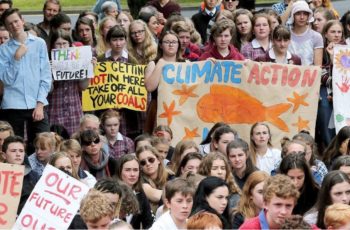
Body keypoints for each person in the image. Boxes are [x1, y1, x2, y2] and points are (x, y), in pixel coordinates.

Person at [0, 8, 52, 154]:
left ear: (22, 21)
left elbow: (46, 76)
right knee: (15, 147)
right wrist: (16, 58)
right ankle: (20, 176)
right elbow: (7, 80)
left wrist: (40, 104)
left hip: (37, 103)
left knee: (44, 144)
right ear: (6, 27)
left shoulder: (39, 43)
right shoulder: (3, 50)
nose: (14, 26)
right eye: (9, 24)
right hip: (13, 105)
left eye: (16, 21)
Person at [47, 29, 88, 136]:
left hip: (74, 109)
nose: (62, 47)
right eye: (58, 44)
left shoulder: (77, 60)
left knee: (75, 141)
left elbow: (84, 87)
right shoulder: (47, 62)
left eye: (65, 43)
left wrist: (87, 70)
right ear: (52, 46)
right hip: (55, 110)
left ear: (70, 45)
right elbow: (48, 90)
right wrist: (51, 73)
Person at [316, 20, 344, 150]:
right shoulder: (320, 50)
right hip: (325, 87)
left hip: (344, 90)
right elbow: (318, 72)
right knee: (324, 108)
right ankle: (329, 150)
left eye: (339, 32)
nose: (337, 35)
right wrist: (333, 88)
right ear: (326, 34)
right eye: (333, 32)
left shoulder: (347, 49)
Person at [2, 135, 40, 214]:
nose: (18, 154)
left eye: (21, 151)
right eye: (13, 151)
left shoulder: (35, 177)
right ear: (4, 155)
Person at [115, 154, 154, 229]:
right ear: (119, 171)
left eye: (135, 170)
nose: (132, 174)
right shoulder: (112, 193)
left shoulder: (140, 193)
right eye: (128, 170)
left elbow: (149, 222)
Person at [136, 145, 174, 213]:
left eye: (151, 160)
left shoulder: (171, 176)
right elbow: (157, 196)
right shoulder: (141, 182)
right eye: (143, 162)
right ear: (140, 167)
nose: (148, 164)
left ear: (158, 160)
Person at [287, 0, 323, 66]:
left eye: (305, 14)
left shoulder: (316, 36)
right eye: (298, 13)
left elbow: (318, 67)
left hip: (310, 75)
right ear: (293, 15)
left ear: (308, 16)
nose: (302, 17)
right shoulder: (286, 35)